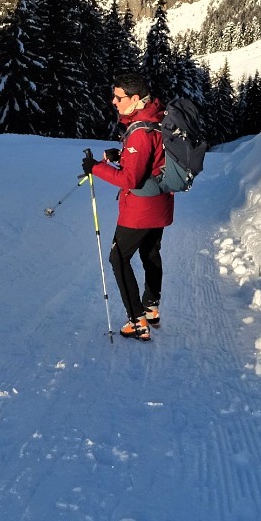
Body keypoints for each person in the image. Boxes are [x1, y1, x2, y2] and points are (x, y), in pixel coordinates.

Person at [81, 72, 171, 341]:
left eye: (118, 97)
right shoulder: (157, 120)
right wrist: (121, 155)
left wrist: (96, 168)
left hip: (140, 209)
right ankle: (151, 308)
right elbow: (151, 159)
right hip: (160, 204)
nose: (113, 101)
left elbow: (131, 179)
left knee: (118, 258)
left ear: (134, 99)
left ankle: (137, 320)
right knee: (150, 253)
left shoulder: (141, 131)